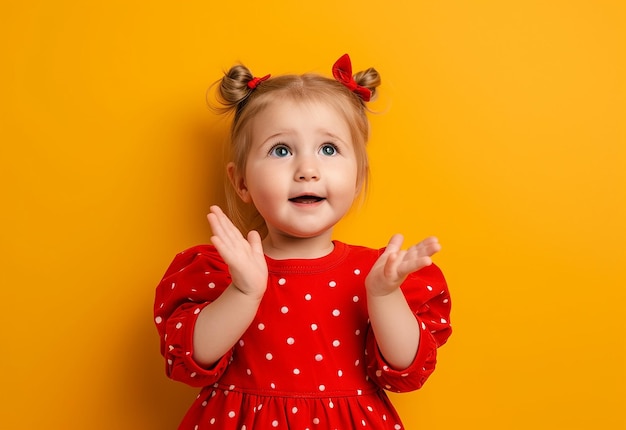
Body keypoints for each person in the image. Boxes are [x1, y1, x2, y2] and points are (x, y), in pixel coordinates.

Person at [154, 53, 452, 429]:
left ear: (358, 177)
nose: (307, 171)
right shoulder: (219, 269)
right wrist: (244, 292)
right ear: (241, 181)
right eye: (281, 150)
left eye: (328, 149)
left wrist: (383, 295)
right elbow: (192, 359)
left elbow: (406, 369)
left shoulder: (379, 274)